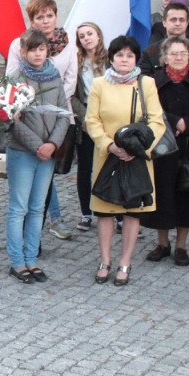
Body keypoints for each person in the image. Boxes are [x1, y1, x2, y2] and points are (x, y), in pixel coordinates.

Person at [86, 35, 165, 286]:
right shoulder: (99, 84)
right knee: (106, 211)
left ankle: (125, 262)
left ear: (135, 59)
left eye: (129, 55)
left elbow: (156, 121)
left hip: (137, 158)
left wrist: (140, 148)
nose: (124, 59)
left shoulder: (147, 84)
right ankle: (105, 260)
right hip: (107, 155)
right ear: (111, 58)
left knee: (133, 212)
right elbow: (92, 120)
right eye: (119, 55)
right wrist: (109, 145)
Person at [140, 36, 189, 266]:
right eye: (173, 53)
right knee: (162, 195)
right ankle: (162, 244)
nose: (178, 58)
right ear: (164, 57)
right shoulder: (153, 82)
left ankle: (182, 246)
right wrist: (176, 122)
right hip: (163, 149)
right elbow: (148, 113)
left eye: (183, 53)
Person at [5, 0, 77, 241]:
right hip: (26, 116)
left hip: (58, 118)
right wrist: (37, 104)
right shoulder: (19, 44)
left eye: (49, 15)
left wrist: (52, 104)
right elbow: (12, 79)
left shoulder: (68, 44)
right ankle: (29, 239)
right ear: (31, 20)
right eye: (40, 17)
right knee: (25, 193)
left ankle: (42, 231)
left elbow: (69, 80)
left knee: (46, 181)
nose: (45, 21)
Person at [5, 29, 69, 284]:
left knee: (36, 207)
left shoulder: (54, 77)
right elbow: (10, 119)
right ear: (23, 52)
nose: (38, 54)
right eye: (33, 49)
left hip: (48, 153)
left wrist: (52, 144)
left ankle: (31, 259)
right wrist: (37, 145)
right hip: (23, 151)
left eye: (41, 49)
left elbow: (64, 113)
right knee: (18, 207)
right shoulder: (15, 78)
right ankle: (17, 262)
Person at [71, 22, 109, 231]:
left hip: (110, 115)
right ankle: (86, 213)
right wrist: (86, 119)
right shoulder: (76, 63)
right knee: (86, 167)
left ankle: (116, 213)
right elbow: (72, 95)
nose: (86, 38)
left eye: (89, 33)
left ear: (98, 35)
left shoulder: (111, 59)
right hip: (85, 116)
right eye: (82, 36)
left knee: (110, 165)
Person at [141, 0, 189, 79]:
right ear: (164, 22)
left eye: (181, 20)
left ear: (187, 23)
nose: (177, 23)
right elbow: (144, 83)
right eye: (173, 20)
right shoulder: (150, 52)